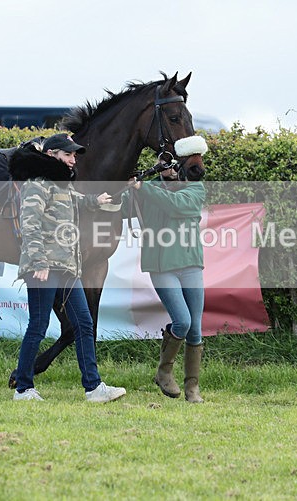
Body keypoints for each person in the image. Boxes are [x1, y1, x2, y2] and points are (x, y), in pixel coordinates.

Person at [9, 133, 126, 403]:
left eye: (74, 155)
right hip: (44, 269)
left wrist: (97, 200)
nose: (73, 160)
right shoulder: (37, 184)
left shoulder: (62, 185)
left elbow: (77, 201)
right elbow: (29, 224)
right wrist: (38, 261)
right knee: (38, 326)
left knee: (84, 323)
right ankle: (23, 389)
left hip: (67, 269)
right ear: (51, 155)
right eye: (68, 154)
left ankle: (93, 388)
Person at [129, 135, 208, 403]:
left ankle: (192, 388)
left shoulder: (196, 189)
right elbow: (128, 205)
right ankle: (164, 373)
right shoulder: (149, 187)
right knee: (182, 322)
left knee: (195, 328)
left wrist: (143, 187)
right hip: (161, 265)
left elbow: (176, 205)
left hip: (190, 263)